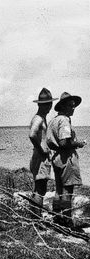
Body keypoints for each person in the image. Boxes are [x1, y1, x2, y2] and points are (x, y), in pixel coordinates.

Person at [46, 92, 86, 227]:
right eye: (71, 105)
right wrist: (78, 143)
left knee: (59, 190)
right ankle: (66, 220)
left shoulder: (54, 120)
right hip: (65, 157)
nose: (73, 108)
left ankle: (57, 217)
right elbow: (64, 143)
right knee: (68, 190)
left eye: (74, 106)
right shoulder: (64, 120)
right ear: (63, 106)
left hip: (56, 157)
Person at [28, 88, 57, 218]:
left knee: (39, 188)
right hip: (40, 157)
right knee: (40, 189)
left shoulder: (41, 118)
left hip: (40, 156)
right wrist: (41, 149)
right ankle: (36, 219)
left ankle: (34, 217)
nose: (50, 107)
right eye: (48, 104)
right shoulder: (38, 119)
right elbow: (32, 134)